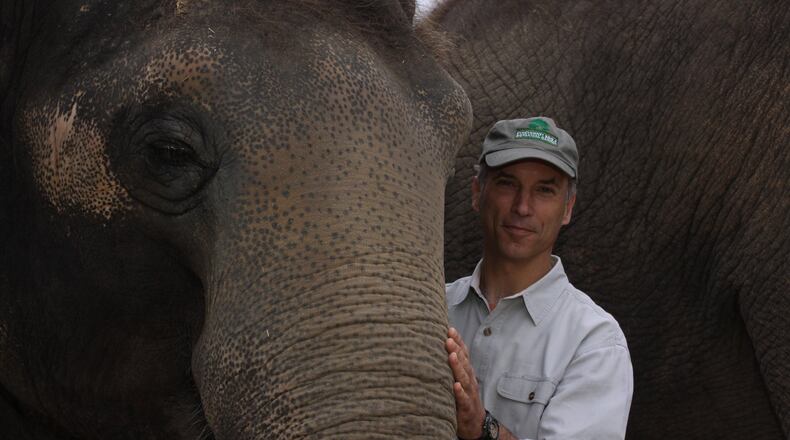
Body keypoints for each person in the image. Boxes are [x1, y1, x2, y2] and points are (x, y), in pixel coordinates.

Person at [445, 117, 633, 440]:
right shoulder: (432, 308)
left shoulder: (595, 342)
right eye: (507, 184)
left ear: (568, 208)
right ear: (477, 193)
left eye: (544, 190)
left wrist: (482, 427)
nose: (522, 207)